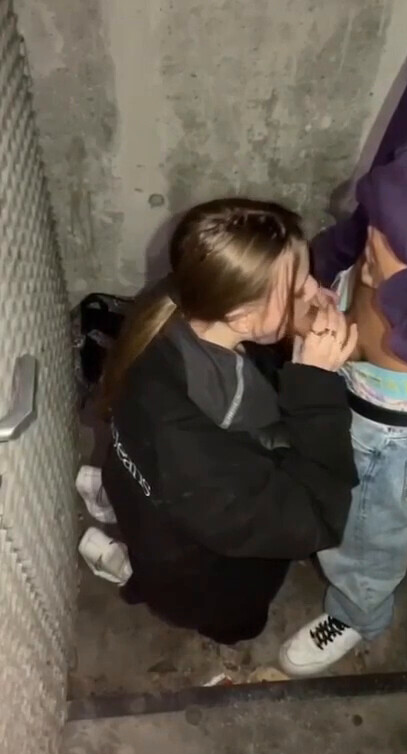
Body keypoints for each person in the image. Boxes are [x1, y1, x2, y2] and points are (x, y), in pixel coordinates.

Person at [280, 0, 407, 677]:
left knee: (364, 522)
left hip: (405, 407)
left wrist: (404, 296)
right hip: (359, 327)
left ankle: (360, 609)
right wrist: (338, 254)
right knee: (331, 472)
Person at [96, 198, 358, 646]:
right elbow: (318, 516)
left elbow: (253, 356)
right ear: (242, 316)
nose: (315, 289)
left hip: (156, 517)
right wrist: (315, 385)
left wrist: (291, 317)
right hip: (206, 578)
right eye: (298, 289)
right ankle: (214, 624)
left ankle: (141, 577)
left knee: (161, 560)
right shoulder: (203, 449)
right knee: (237, 622)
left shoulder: (169, 306)